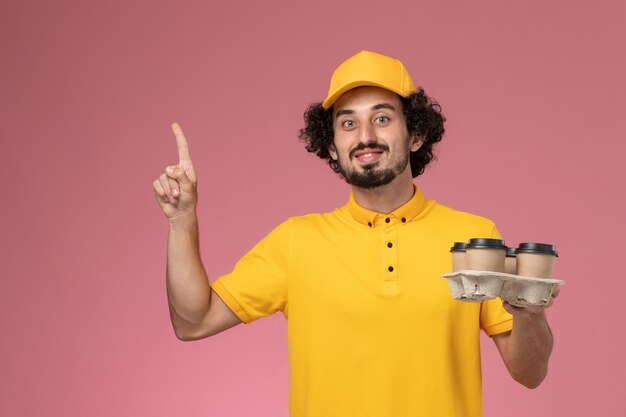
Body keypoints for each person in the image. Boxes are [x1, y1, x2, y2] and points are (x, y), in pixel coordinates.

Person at [152, 51, 558, 417]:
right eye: (348, 123)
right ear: (331, 146)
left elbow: (531, 372)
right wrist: (181, 219)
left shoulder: (473, 236)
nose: (365, 136)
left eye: (382, 118)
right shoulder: (296, 241)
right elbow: (193, 321)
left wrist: (528, 311)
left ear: (415, 134)